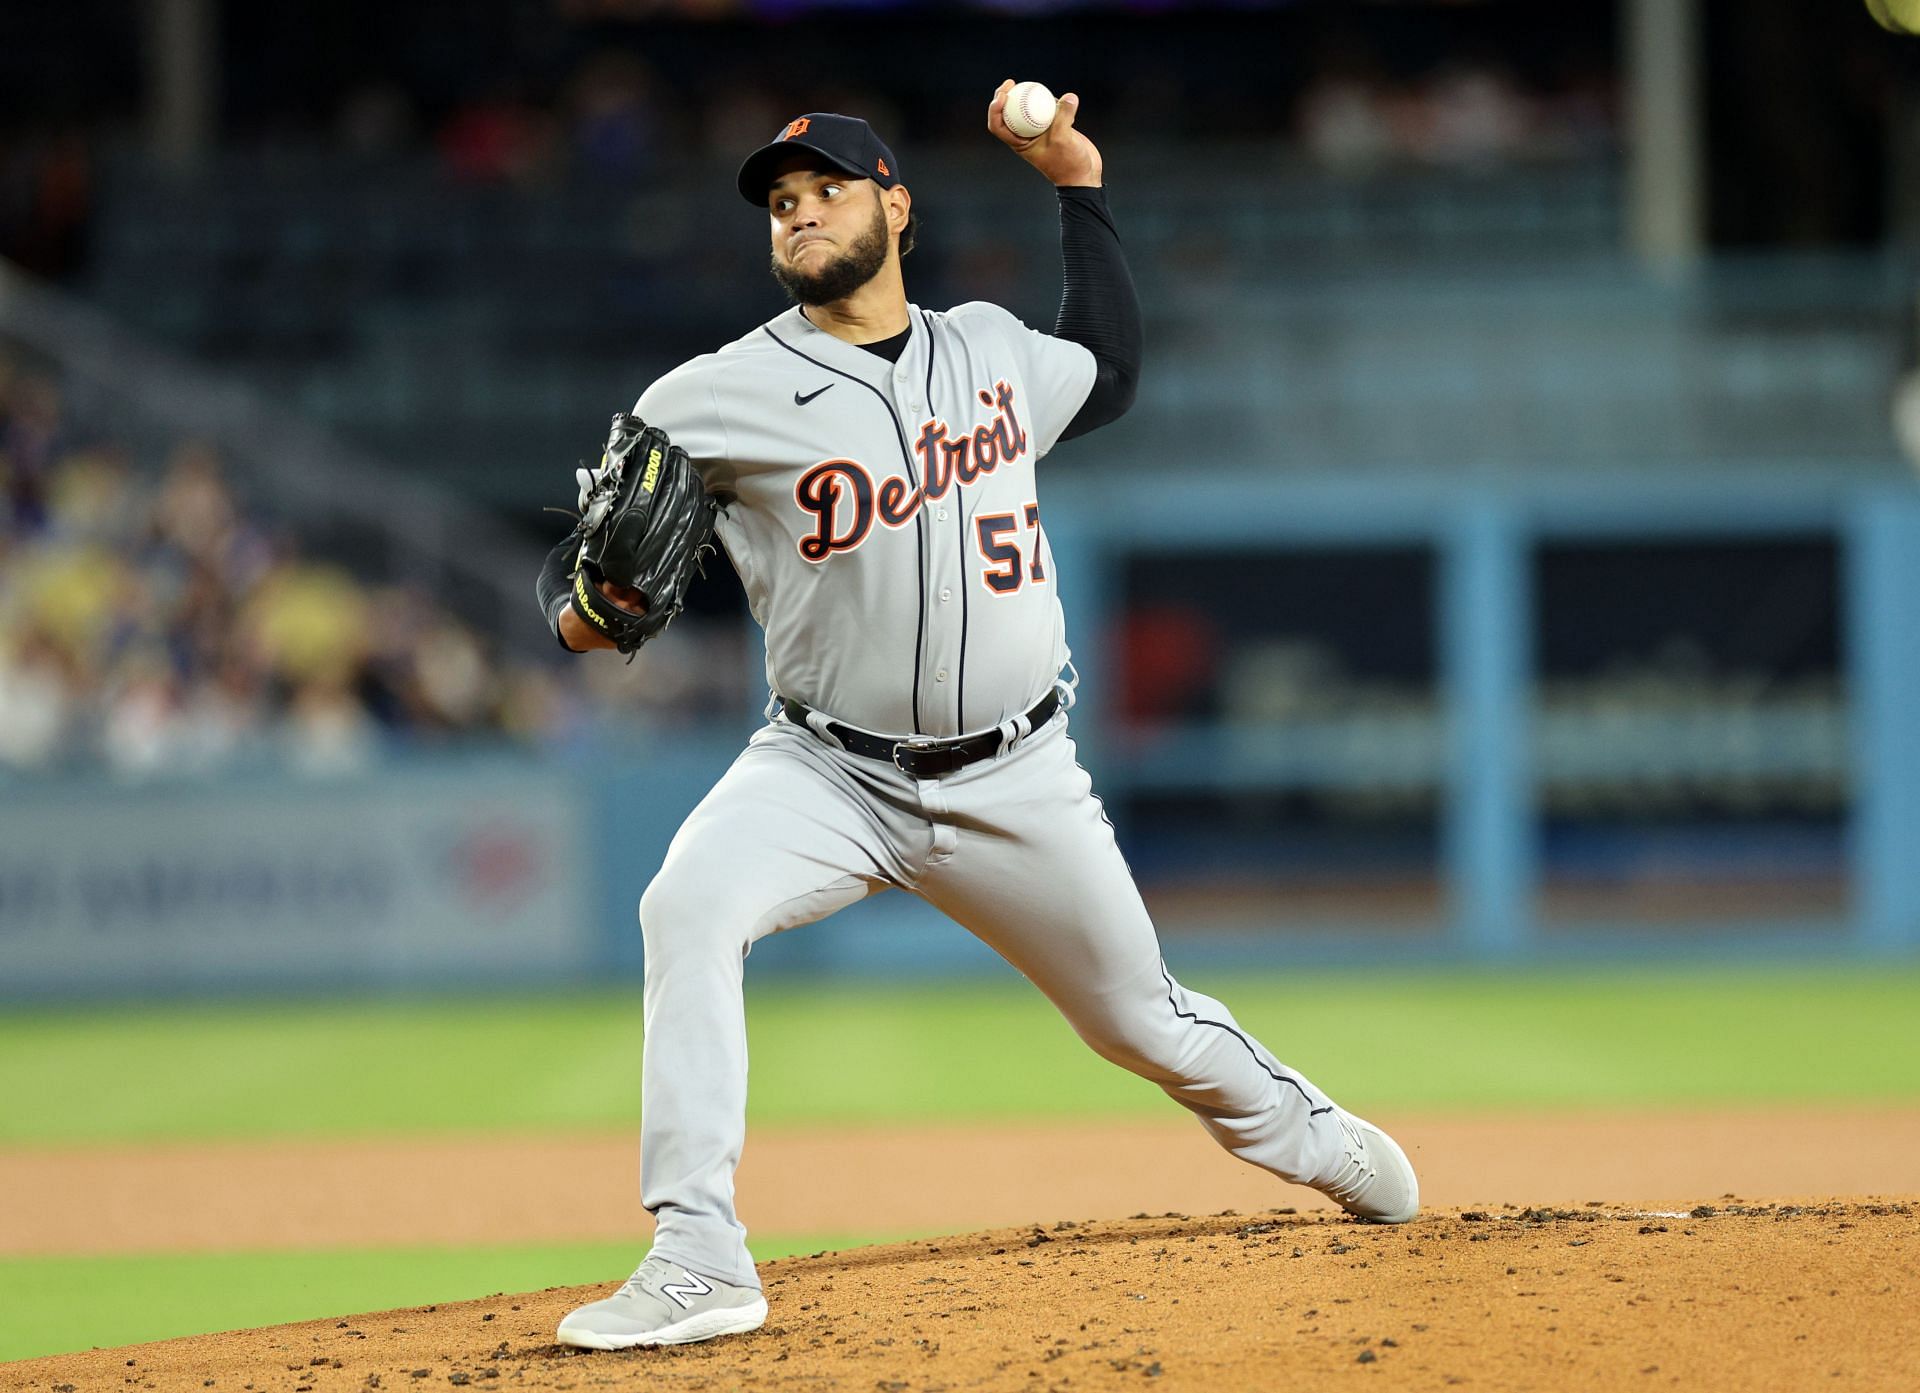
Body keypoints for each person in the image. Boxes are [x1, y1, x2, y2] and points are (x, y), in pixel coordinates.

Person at [535, 81, 1419, 1353]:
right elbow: (576, 605)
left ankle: (1315, 1138)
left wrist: (1077, 180)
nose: (797, 215)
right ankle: (698, 1255)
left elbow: (1106, 372)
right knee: (686, 905)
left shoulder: (993, 348)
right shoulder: (705, 398)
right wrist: (598, 605)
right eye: (779, 204)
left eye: (825, 189)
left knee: (1142, 1021)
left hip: (1018, 773)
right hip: (823, 770)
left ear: (895, 204)